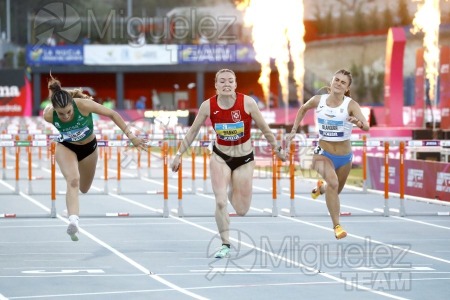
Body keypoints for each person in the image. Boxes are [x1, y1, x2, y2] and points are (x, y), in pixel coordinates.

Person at [170, 69, 286, 258]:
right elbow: (192, 131)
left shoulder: (247, 103)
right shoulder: (208, 106)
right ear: (216, 85)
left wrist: (277, 150)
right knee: (221, 202)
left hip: (244, 159)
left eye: (230, 81)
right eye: (222, 81)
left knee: (241, 210)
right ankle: (225, 244)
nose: (226, 84)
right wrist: (178, 154)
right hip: (220, 157)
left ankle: (233, 184)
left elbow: (265, 128)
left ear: (235, 84)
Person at [43, 75, 147, 241]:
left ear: (72, 104)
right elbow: (53, 109)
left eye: (69, 111)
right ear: (55, 110)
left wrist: (131, 136)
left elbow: (113, 114)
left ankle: (73, 217)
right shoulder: (49, 115)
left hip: (89, 148)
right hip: (66, 146)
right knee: (73, 180)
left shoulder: (83, 105)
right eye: (61, 114)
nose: (66, 116)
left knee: (84, 188)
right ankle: (73, 222)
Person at [286, 69, 369, 240]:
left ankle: (320, 188)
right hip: (322, 154)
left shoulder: (351, 105)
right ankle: (337, 226)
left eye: (343, 82)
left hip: (345, 157)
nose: (338, 83)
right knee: (333, 181)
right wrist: (294, 130)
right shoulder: (319, 100)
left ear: (347, 88)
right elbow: (303, 108)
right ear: (331, 82)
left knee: (334, 189)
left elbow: (366, 127)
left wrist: (357, 122)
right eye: (336, 80)